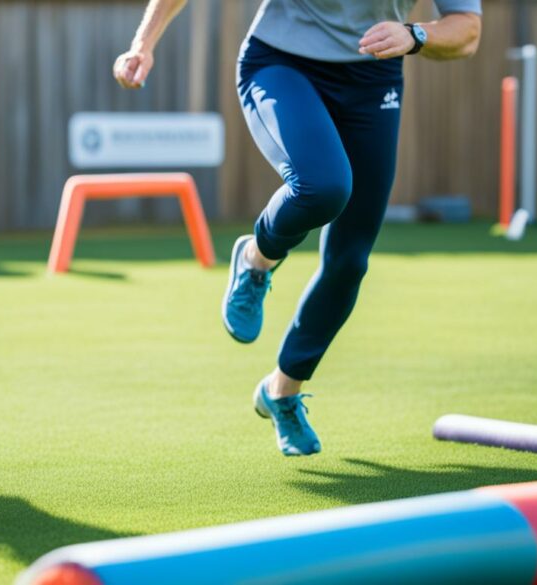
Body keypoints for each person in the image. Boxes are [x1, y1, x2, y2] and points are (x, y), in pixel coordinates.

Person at [114, 1, 482, 456]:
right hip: (282, 64)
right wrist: (143, 44)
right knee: (323, 186)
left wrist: (416, 36)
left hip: (372, 80)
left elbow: (467, 31)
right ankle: (256, 259)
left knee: (350, 260)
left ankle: (282, 392)